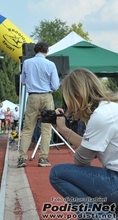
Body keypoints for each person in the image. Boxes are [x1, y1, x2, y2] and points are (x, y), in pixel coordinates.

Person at [49, 68, 118, 219]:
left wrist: (63, 129)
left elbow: (82, 160)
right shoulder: (111, 107)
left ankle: (101, 216)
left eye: (69, 101)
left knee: (57, 174)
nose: (69, 107)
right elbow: (91, 148)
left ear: (78, 96)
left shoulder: (101, 116)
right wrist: (64, 129)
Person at [17, 42, 59, 168]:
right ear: (47, 51)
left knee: (28, 128)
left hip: (33, 96)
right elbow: (56, 85)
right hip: (47, 97)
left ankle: (22, 158)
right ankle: (43, 158)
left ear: (35, 50)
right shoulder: (51, 64)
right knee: (46, 129)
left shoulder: (27, 63)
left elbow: (23, 81)